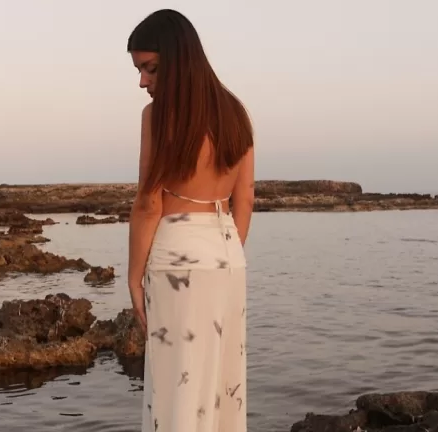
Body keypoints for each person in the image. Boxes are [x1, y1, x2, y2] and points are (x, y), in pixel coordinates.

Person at [125, 8, 255, 432]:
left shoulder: (158, 116)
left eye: (150, 68)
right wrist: (221, 253)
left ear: (177, 59)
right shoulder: (236, 113)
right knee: (221, 387)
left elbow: (149, 204)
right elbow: (245, 198)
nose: (142, 81)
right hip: (228, 259)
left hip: (176, 261)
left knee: (176, 389)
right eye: (139, 70)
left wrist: (133, 277)